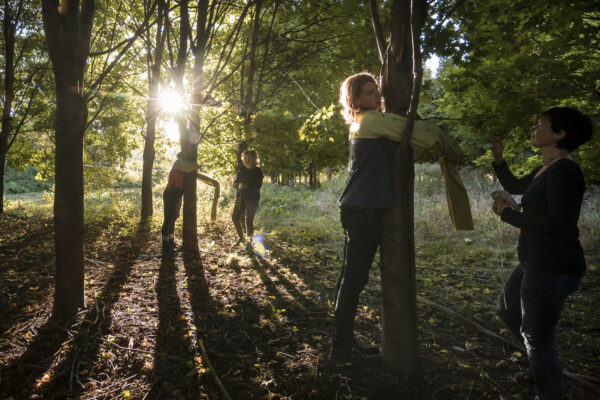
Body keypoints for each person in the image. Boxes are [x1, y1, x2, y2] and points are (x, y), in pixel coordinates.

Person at [329, 71, 473, 364]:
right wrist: (442, 138)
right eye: (369, 93)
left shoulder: (363, 123)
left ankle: (343, 345)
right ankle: (340, 351)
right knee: (354, 280)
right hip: (364, 211)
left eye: (376, 91)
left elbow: (399, 156)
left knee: (350, 278)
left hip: (357, 208)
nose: (377, 96)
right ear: (354, 99)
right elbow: (428, 134)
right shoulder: (374, 121)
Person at [491, 107, 593, 400]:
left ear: (559, 134)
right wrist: (499, 159)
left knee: (538, 338)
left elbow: (558, 223)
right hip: (534, 261)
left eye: (541, 125)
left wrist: (510, 214)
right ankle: (540, 368)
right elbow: (516, 185)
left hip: (553, 267)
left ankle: (549, 391)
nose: (534, 129)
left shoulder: (565, 172)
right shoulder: (547, 168)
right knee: (508, 310)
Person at [161, 151, 202, 252]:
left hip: (177, 193)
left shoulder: (181, 165)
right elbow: (194, 166)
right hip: (171, 193)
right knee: (168, 218)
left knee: (174, 217)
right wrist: (199, 165)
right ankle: (165, 244)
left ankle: (171, 240)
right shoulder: (179, 163)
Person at [232, 149, 264, 247]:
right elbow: (235, 183)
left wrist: (247, 186)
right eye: (245, 158)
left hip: (252, 200)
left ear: (255, 159)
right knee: (234, 218)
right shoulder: (242, 170)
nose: (247, 160)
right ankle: (241, 238)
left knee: (248, 221)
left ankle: (250, 242)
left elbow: (257, 187)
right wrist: (237, 185)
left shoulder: (258, 171)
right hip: (240, 198)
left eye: (249, 158)